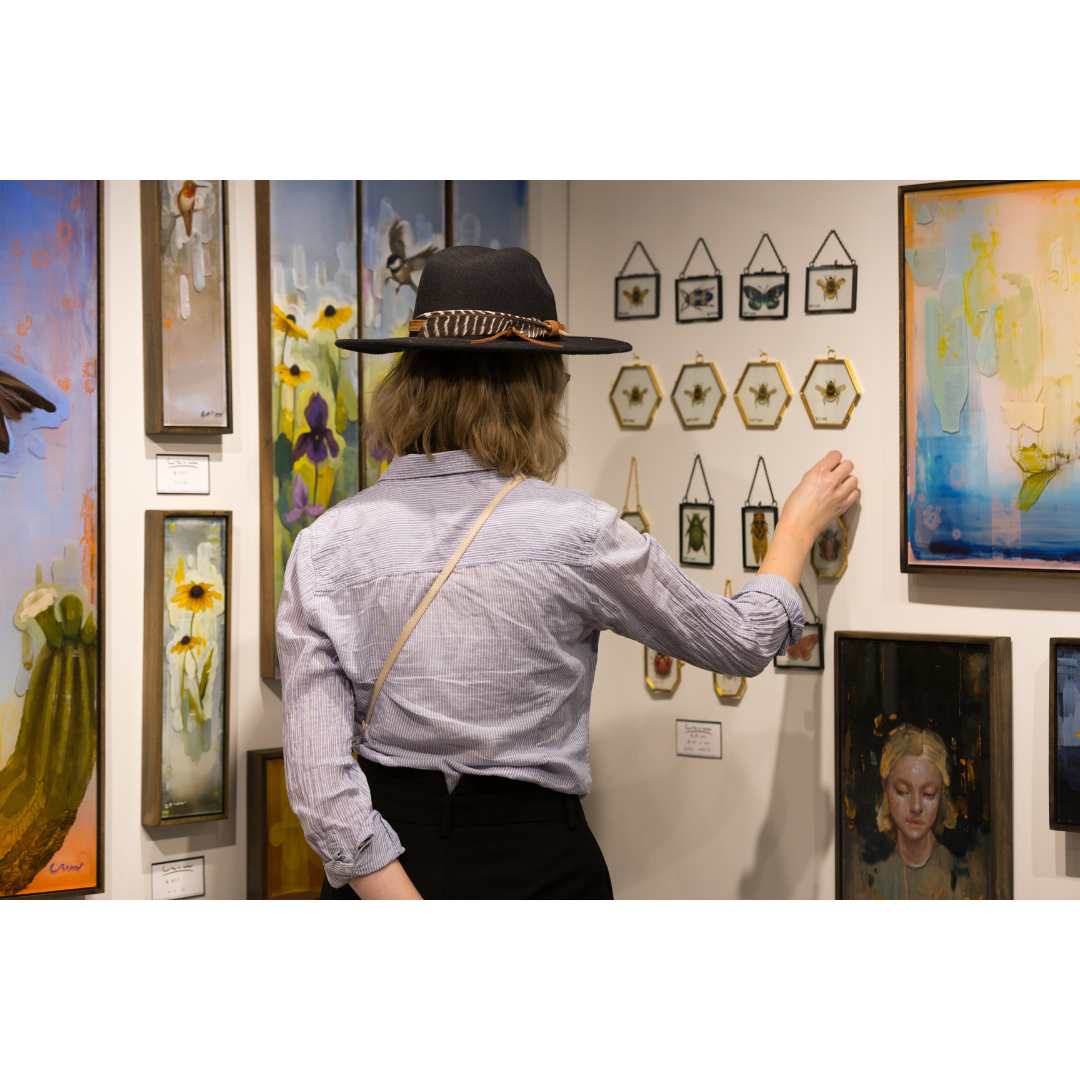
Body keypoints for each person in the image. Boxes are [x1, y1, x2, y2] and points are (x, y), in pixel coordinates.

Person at [276, 245, 859, 900]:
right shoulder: (576, 533)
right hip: (534, 867)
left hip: (381, 872)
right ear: (538, 390)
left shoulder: (325, 546)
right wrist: (797, 527)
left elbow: (322, 789)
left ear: (408, 382)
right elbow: (741, 642)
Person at [849, 723, 986, 900]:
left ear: (942, 796)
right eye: (902, 791)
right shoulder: (866, 874)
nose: (916, 807)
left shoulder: (963, 874)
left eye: (928, 794)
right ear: (886, 791)